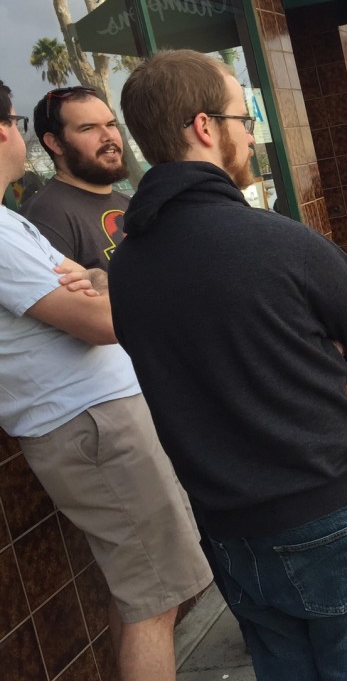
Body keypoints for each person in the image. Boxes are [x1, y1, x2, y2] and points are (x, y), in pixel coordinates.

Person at [110, 50, 347, 680]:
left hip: (228, 531)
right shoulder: (278, 240)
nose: (250, 134)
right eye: (243, 118)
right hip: (330, 510)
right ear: (203, 128)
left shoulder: (128, 267)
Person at [0, 79, 212, 681]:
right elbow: (97, 318)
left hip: (108, 416)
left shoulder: (12, 222)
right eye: (87, 127)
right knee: (157, 598)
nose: (107, 135)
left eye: (107, 122)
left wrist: (103, 290)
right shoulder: (19, 224)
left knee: (147, 594)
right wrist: (106, 297)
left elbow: (97, 287)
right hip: (91, 425)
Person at [20, 86, 130, 270]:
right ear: (55, 143)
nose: (108, 136)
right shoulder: (44, 217)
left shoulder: (130, 203)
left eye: (111, 124)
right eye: (88, 128)